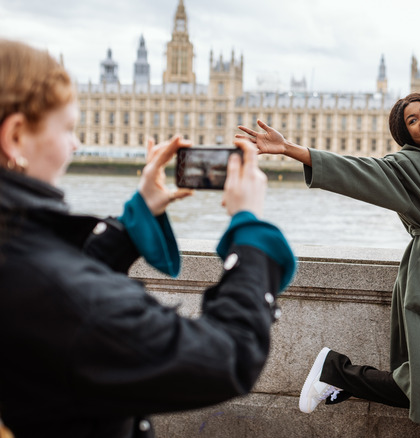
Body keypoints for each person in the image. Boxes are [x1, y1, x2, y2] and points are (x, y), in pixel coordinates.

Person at [0, 39, 296, 438]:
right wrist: (250, 229)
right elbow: (228, 355)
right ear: (16, 136)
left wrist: (135, 219)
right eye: (69, 128)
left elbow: (54, 278)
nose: (77, 143)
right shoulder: (53, 290)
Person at [237, 93, 420, 438]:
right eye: (412, 120)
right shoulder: (404, 166)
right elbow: (354, 171)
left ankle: (337, 375)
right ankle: (337, 372)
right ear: (405, 134)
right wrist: (290, 149)